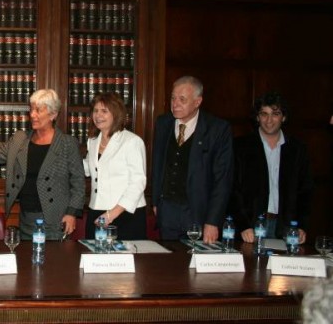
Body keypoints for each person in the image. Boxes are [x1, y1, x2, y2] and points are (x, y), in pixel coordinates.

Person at [0, 89, 85, 240]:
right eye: (31, 109)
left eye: (38, 110)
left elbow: (78, 182)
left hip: (55, 220)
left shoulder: (67, 143)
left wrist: (71, 213)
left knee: (53, 262)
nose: (32, 115)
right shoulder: (20, 139)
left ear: (53, 114)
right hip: (26, 219)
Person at [151, 76, 233, 243]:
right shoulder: (163, 123)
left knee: (194, 265)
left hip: (198, 212)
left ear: (197, 102)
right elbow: (157, 164)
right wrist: (155, 201)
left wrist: (212, 220)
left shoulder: (217, 129)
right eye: (173, 98)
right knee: (169, 264)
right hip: (167, 210)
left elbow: (223, 179)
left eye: (182, 99)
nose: (175, 103)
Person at [231, 91, 313, 243]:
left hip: (287, 227)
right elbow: (233, 189)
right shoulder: (240, 147)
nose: (269, 120)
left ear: (284, 117)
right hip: (250, 227)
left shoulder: (297, 149)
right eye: (264, 114)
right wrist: (243, 225)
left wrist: (301, 225)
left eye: (275, 114)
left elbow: (305, 191)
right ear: (257, 117)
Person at [83, 92, 146, 240]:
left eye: (104, 111)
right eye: (96, 111)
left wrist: (111, 214)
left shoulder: (132, 141)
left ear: (116, 114)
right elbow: (88, 169)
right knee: (94, 258)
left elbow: (138, 182)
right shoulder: (92, 141)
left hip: (125, 214)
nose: (98, 115)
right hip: (96, 210)